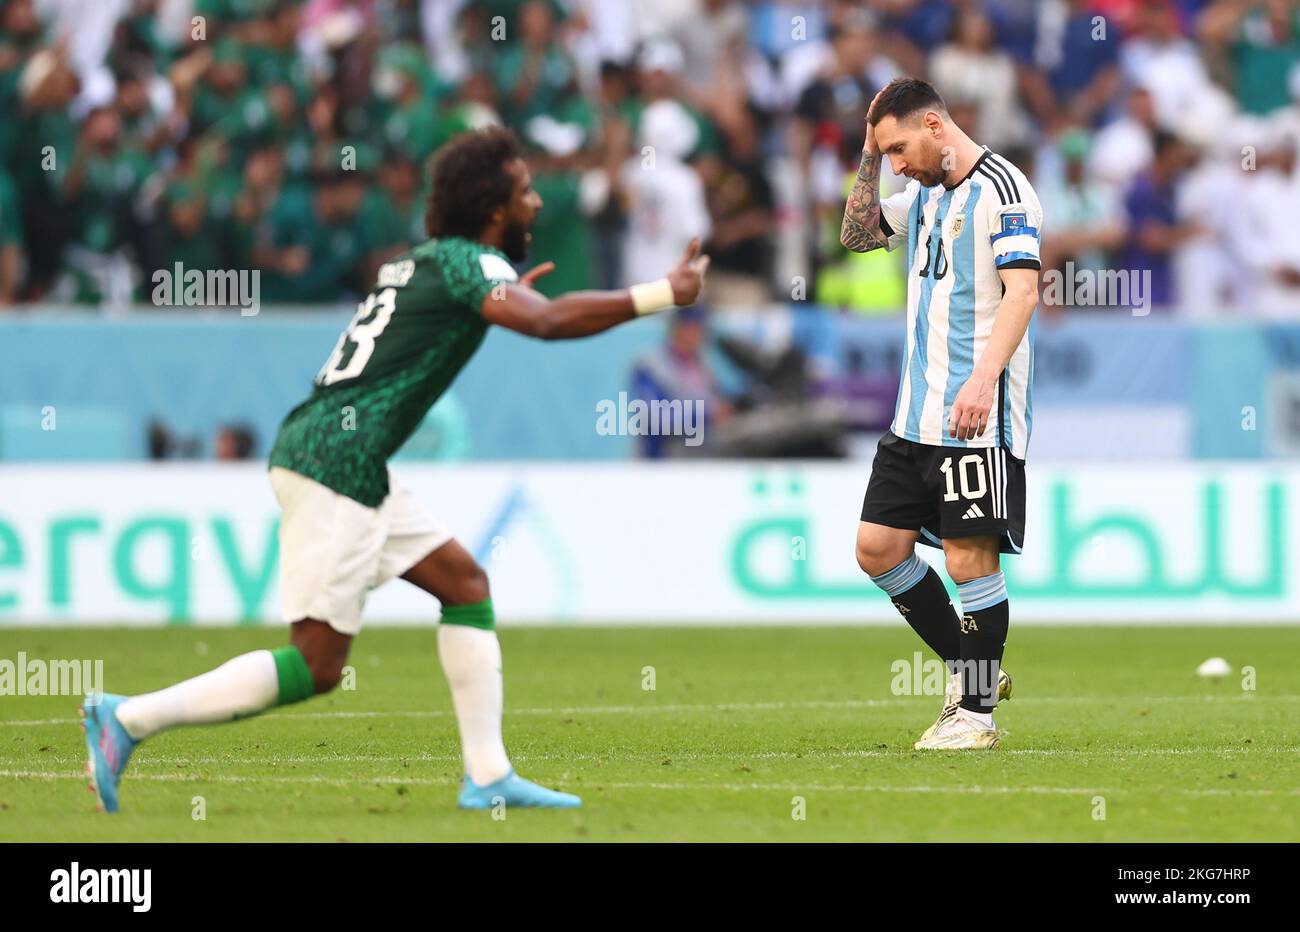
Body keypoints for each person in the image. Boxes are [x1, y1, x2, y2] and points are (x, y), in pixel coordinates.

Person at [81, 126, 710, 812]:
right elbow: (552, 322)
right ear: (494, 209)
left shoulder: (423, 261)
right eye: (526, 191)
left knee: (465, 583)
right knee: (316, 665)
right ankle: (127, 718)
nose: (537, 203)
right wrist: (663, 292)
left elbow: (487, 314)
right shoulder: (470, 263)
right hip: (336, 462)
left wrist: (506, 295)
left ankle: (489, 774)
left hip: (344, 455)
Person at [840, 77, 1038, 750]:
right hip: (913, 417)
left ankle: (976, 716)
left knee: (968, 559)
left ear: (934, 124)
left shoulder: (1004, 191)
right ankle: (974, 667)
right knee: (877, 549)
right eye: (886, 155)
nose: (897, 164)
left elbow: (1024, 290)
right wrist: (867, 154)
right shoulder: (920, 193)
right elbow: (857, 234)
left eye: (898, 148)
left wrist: (984, 379)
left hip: (974, 415)